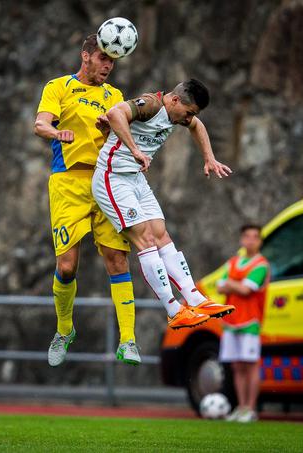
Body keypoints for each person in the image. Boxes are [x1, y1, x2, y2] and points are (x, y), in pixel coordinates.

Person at [91, 79, 234, 329]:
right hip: (112, 178)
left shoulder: (179, 115)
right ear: (175, 100)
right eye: (188, 112)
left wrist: (209, 158)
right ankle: (173, 309)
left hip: (136, 179)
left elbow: (197, 125)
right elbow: (115, 113)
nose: (188, 119)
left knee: (161, 235)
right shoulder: (151, 104)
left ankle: (196, 299)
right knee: (145, 239)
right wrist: (135, 150)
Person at [34, 34, 139, 366]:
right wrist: (56, 132)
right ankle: (65, 330)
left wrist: (110, 131)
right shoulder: (60, 86)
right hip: (68, 182)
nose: (108, 65)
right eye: (103, 58)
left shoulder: (115, 96)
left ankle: (128, 340)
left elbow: (123, 135)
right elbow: (40, 125)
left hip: (106, 181)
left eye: (113, 61)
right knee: (67, 266)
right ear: (86, 56)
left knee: (117, 260)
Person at [217, 224, 269, 423]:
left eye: (255, 237)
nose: (250, 240)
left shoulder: (261, 265)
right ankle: (241, 407)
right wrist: (232, 285)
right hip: (231, 321)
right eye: (247, 236)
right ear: (241, 239)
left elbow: (247, 289)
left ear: (260, 241)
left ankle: (251, 408)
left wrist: (231, 284)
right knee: (237, 366)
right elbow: (221, 286)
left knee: (251, 365)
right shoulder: (233, 262)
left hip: (250, 320)